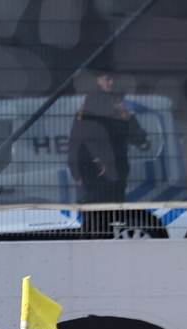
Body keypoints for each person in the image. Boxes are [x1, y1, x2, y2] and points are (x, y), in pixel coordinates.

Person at [67, 70, 148, 235]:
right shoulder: (89, 109)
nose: (111, 83)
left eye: (118, 99)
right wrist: (78, 173)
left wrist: (127, 118)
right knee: (95, 223)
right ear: (98, 80)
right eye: (107, 79)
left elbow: (139, 139)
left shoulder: (121, 116)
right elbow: (77, 142)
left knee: (112, 222)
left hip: (116, 175)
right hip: (95, 176)